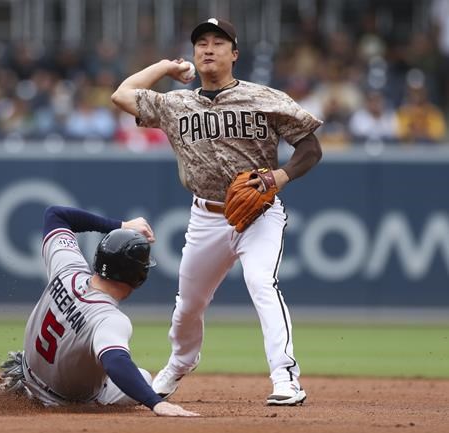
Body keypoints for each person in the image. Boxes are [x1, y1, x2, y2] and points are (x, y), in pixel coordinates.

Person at [111, 18, 323, 406]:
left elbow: (311, 148)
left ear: (234, 54)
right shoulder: (175, 104)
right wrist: (166, 67)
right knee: (188, 305)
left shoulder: (265, 98)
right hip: (206, 216)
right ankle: (179, 363)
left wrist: (280, 176)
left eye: (218, 43)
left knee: (262, 283)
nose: (208, 49)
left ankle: (285, 378)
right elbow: (122, 95)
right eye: (201, 43)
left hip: (260, 213)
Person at [0, 205, 199, 417]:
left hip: (26, 374)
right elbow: (116, 362)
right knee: (144, 379)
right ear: (138, 277)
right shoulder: (109, 319)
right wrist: (156, 403)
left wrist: (122, 226)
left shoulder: (68, 268)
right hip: (61, 401)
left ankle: (16, 390)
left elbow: (55, 214)